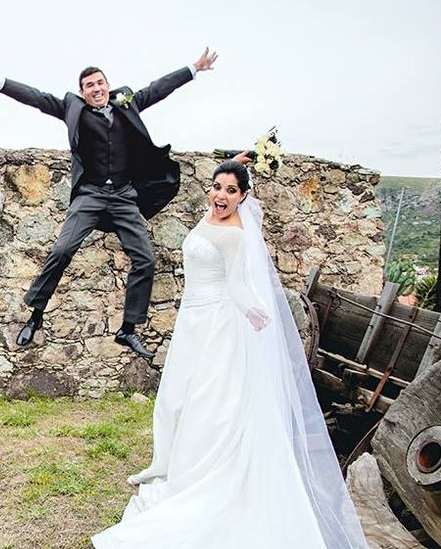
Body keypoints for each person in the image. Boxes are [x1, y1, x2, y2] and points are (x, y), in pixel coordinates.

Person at [92, 160, 368, 548]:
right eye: (216, 187)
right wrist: (238, 161)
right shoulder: (211, 212)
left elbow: (237, 285)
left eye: (230, 191)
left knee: (209, 404)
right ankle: (171, 463)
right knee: (174, 399)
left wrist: (253, 310)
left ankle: (201, 474)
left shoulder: (237, 236)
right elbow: (223, 191)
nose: (220, 196)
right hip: (192, 321)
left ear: (243, 197)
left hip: (216, 325)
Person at [0, 50, 218, 357]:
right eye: (89, 85)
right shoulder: (74, 108)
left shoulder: (127, 103)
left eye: (100, 83)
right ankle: (36, 315)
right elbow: (36, 97)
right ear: (83, 92)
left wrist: (194, 68)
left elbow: (159, 87)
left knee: (146, 259)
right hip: (91, 194)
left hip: (124, 195)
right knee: (62, 250)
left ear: (108, 85)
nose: (95, 89)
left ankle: (128, 329)